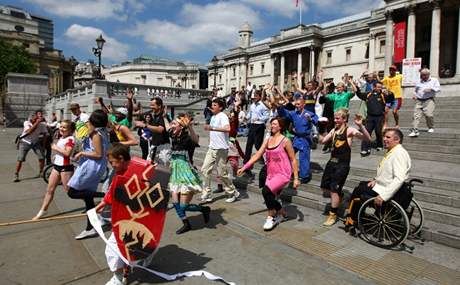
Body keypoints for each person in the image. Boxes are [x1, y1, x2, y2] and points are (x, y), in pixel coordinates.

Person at [238, 117, 300, 230]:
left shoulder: (285, 140)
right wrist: (245, 166)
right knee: (269, 195)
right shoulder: (268, 140)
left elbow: (293, 159)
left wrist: (296, 178)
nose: (272, 126)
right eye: (271, 124)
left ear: (280, 127)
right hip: (271, 173)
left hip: (283, 173)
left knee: (266, 191)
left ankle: (270, 217)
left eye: (275, 124)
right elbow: (257, 155)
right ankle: (282, 214)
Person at [346, 128, 411, 224]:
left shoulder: (399, 154)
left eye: (388, 137)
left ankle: (353, 218)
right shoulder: (394, 151)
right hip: (382, 184)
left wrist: (383, 196)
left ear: (397, 140)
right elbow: (387, 172)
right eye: (384, 136)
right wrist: (376, 180)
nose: (384, 139)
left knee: (358, 190)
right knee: (362, 184)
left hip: (386, 190)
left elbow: (399, 178)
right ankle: (358, 215)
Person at [318, 109, 371, 226]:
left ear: (344, 119)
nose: (335, 120)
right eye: (334, 118)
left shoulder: (349, 130)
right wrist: (321, 129)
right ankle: (340, 196)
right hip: (331, 162)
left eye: (337, 118)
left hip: (342, 165)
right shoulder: (334, 130)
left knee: (333, 190)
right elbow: (322, 141)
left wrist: (360, 125)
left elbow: (367, 139)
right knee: (324, 187)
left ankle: (333, 215)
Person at [67, 109, 109, 240]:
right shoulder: (101, 132)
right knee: (89, 200)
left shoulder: (96, 134)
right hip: (94, 166)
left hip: (91, 166)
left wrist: (81, 153)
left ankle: (106, 196)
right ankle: (90, 228)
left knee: (72, 192)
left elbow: (98, 154)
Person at [165, 114, 211, 234]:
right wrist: (165, 116)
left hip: (186, 173)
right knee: (175, 203)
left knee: (183, 206)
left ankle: (204, 209)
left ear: (181, 127)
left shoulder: (187, 138)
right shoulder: (173, 135)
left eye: (174, 123)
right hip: (175, 173)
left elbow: (196, 140)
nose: (172, 125)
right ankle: (186, 224)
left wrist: (189, 127)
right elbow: (167, 127)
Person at [94, 144, 132, 285]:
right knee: (126, 247)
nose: (111, 166)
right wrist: (103, 204)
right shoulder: (120, 172)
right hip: (124, 217)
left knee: (113, 248)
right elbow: (112, 191)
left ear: (121, 158)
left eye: (112, 162)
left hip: (131, 219)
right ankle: (125, 272)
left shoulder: (136, 172)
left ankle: (118, 278)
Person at [33, 120, 76, 220]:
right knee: (49, 189)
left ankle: (88, 200)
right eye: (61, 126)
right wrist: (56, 156)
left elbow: (67, 153)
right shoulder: (62, 137)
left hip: (66, 168)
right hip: (57, 166)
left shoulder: (70, 139)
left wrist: (56, 148)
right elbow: (62, 152)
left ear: (70, 130)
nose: (61, 129)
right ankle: (42, 211)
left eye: (64, 127)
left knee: (69, 192)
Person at [200, 98, 240, 203]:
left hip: (221, 149)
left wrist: (212, 128)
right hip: (212, 148)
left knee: (222, 173)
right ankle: (207, 193)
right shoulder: (213, 117)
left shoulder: (223, 116)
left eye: (214, 105)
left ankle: (232, 191)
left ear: (220, 107)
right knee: (205, 169)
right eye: (212, 105)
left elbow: (228, 129)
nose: (212, 107)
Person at [277, 96, 318, 183]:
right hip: (296, 138)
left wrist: (311, 119)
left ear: (303, 105)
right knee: (288, 154)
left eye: (299, 104)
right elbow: (285, 113)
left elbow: (318, 121)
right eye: (296, 104)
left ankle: (305, 176)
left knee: (304, 158)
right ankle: (287, 171)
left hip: (305, 139)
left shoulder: (309, 113)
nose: (297, 106)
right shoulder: (293, 113)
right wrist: (280, 106)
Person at [357, 82, 394, 156]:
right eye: (378, 87)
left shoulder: (383, 95)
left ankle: (379, 145)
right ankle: (365, 148)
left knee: (378, 132)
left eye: (381, 87)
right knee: (367, 132)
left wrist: (390, 93)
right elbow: (359, 94)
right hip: (370, 117)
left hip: (379, 117)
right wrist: (356, 87)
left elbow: (390, 99)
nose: (380, 89)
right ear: (374, 87)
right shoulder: (368, 94)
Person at [14, 110, 48, 182]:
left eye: (40, 116)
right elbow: (29, 131)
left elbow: (45, 135)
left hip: (35, 142)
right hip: (25, 142)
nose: (38, 118)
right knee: (20, 158)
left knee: (41, 157)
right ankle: (16, 174)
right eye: (35, 117)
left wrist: (44, 146)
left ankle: (41, 172)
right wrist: (37, 122)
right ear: (31, 118)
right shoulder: (26, 123)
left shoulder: (42, 125)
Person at [134, 97, 170, 165]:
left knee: (163, 170)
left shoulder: (163, 116)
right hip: (154, 146)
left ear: (159, 106)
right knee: (149, 166)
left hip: (163, 148)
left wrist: (145, 125)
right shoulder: (155, 116)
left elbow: (160, 129)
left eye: (153, 105)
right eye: (150, 105)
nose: (151, 107)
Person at [243, 90, 269, 177]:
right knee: (248, 145)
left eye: (255, 96)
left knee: (258, 145)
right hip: (252, 126)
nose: (254, 98)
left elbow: (266, 116)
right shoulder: (252, 105)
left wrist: (259, 119)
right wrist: (246, 118)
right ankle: (246, 164)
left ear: (259, 96)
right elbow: (250, 114)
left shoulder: (262, 105)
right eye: (253, 97)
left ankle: (265, 157)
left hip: (260, 126)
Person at [409, 68, 441, 137]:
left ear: (427, 75)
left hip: (429, 100)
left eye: (423, 75)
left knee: (428, 114)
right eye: (421, 75)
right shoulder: (418, 81)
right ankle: (415, 130)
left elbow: (438, 88)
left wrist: (431, 89)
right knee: (416, 115)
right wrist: (414, 95)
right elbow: (415, 90)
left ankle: (431, 127)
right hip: (419, 100)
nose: (422, 76)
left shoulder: (434, 80)